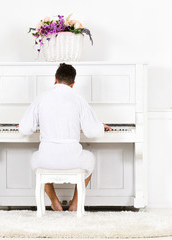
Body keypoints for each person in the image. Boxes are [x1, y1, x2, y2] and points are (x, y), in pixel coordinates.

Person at [19, 63, 111, 211]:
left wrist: (32, 124)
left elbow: (25, 129)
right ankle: (75, 203)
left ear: (55, 79)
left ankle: (54, 201)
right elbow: (92, 131)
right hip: (72, 159)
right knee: (89, 159)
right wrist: (100, 126)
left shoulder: (41, 98)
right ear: (73, 83)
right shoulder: (78, 99)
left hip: (46, 159)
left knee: (37, 161)